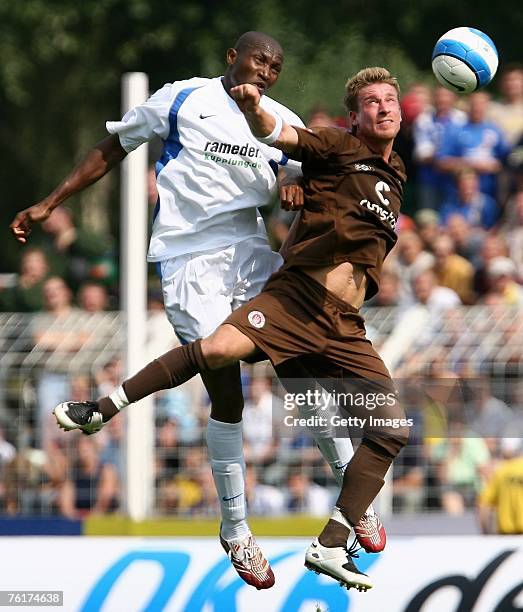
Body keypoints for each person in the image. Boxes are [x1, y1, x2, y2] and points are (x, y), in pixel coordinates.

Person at [10, 31, 375, 590]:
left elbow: (308, 164)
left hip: (251, 250)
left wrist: (297, 181)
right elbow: (112, 149)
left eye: (276, 66)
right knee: (224, 388)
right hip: (186, 260)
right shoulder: (181, 99)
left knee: (299, 366)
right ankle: (235, 529)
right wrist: (50, 202)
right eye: (259, 59)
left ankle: (354, 490)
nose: (267, 71)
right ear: (232, 57)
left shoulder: (277, 115)